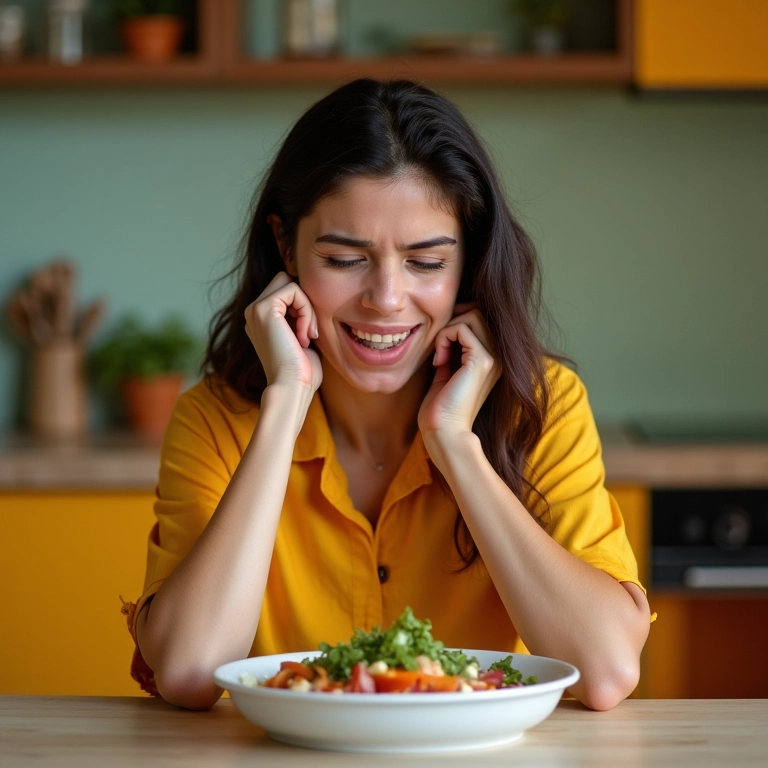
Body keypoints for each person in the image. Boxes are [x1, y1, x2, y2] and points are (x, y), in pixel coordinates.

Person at [124, 78, 652, 712]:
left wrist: (455, 443)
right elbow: (187, 669)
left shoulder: (543, 405)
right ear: (285, 246)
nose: (386, 299)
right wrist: (285, 404)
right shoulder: (214, 420)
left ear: (469, 264)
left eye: (426, 262)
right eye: (345, 258)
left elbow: (605, 671)